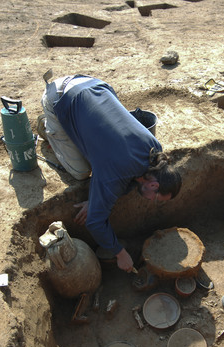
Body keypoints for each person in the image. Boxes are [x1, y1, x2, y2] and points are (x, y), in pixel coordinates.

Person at [39, 73, 182, 273]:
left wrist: (96, 200)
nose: (152, 200)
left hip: (95, 85)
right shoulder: (117, 170)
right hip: (60, 98)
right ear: (153, 185)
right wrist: (120, 253)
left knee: (99, 157)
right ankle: (48, 126)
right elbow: (95, 223)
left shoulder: (154, 149)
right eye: (157, 198)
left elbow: (120, 181)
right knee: (81, 173)